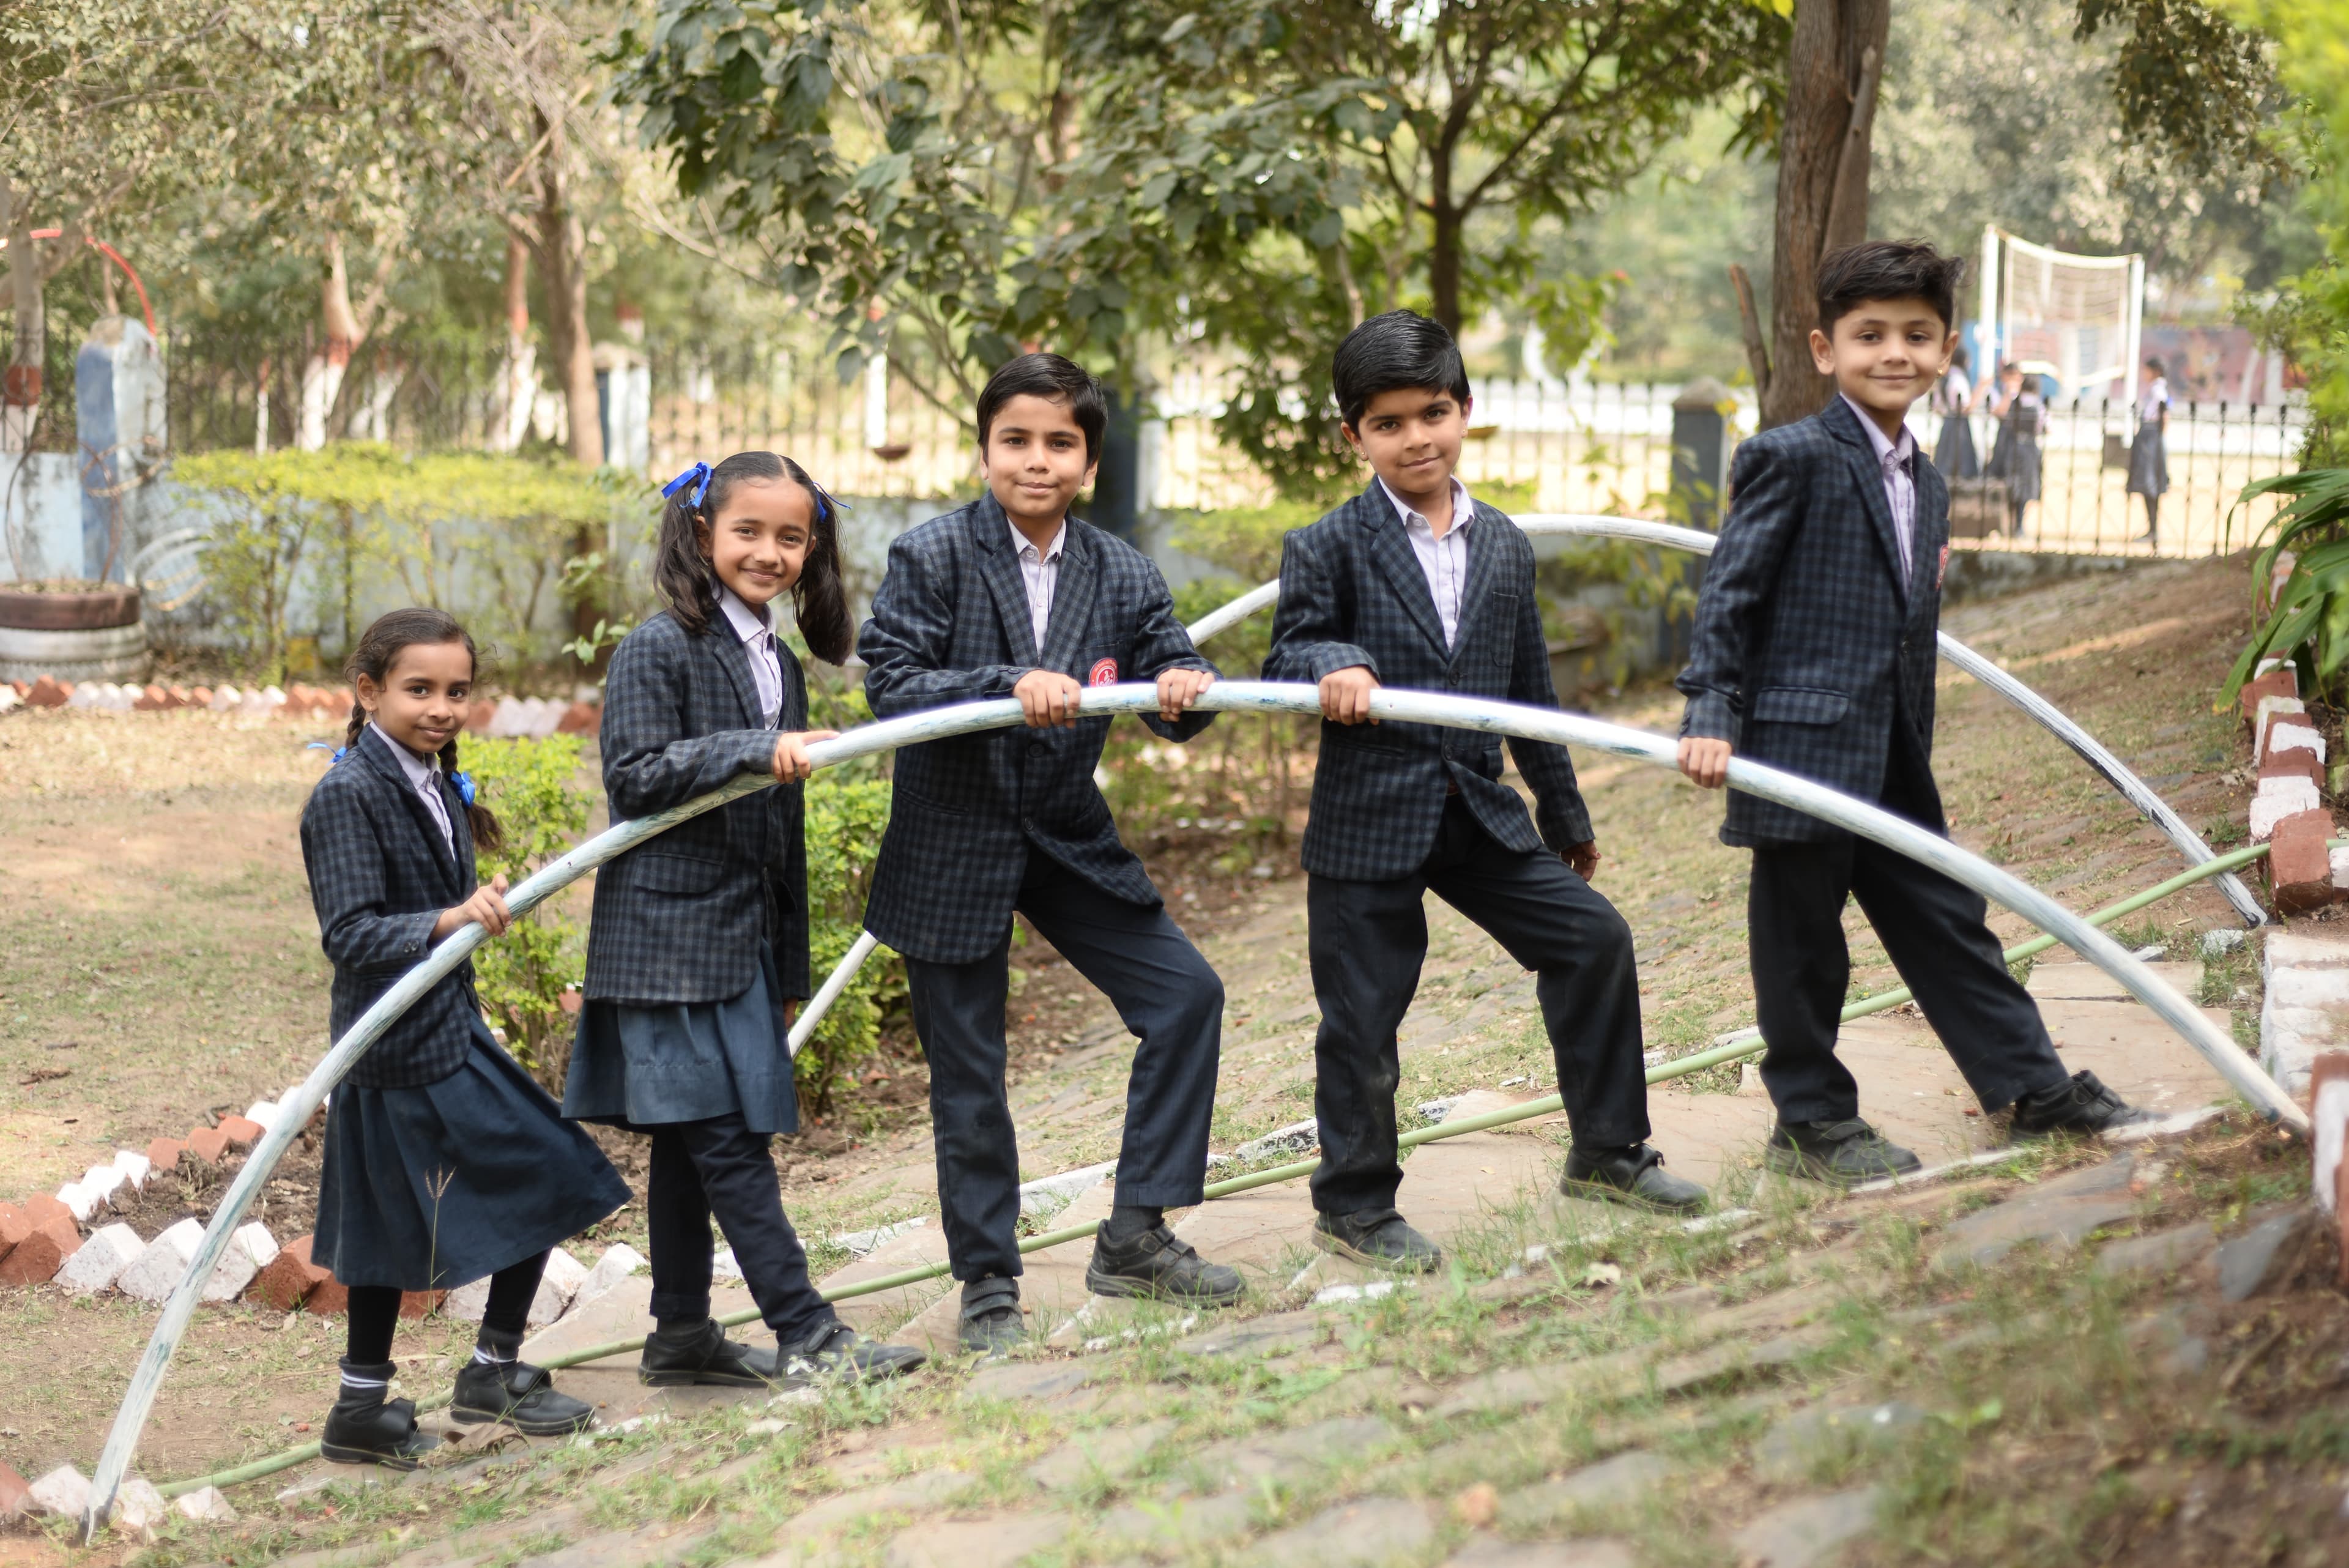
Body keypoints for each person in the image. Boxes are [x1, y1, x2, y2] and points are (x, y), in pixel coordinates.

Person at [1674, 240, 2155, 1187]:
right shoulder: (1790, 456)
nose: (1893, 352)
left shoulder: (1928, 481)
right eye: (1870, 335)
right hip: (1803, 746)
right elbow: (1730, 592)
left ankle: (2031, 1088)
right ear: (1825, 350)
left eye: (1917, 335)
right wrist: (1711, 707)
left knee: (1948, 915)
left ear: (1945, 354)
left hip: (1891, 746)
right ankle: (1810, 1120)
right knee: (1803, 939)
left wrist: (1910, 737)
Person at [1261, 310, 1707, 1275]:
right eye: (1388, 423)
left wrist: (1566, 812)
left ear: (1466, 410)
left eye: (1433, 412)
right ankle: (1355, 1206)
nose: (1416, 437)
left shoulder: (1503, 544)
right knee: (1363, 1018)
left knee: (1592, 939)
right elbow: (1290, 647)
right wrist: (1336, 661)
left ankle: (1607, 1151)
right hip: (1370, 820)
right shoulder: (1326, 545)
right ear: (1356, 437)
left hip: (1477, 806)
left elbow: (1528, 688)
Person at [858, 352, 1242, 1353]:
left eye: (1059, 443)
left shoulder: (1120, 568)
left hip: (1067, 837)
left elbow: (1171, 662)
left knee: (1186, 995)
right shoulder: (932, 554)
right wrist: (1004, 681)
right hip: (953, 843)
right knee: (970, 1074)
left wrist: (1188, 682)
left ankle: (1137, 1234)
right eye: (1016, 440)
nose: (1037, 460)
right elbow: (891, 684)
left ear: (1089, 459)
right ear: (984, 449)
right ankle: (988, 1282)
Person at [565, 452, 925, 1388]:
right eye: (749, 532)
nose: (770, 552)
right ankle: (809, 1332)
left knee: (694, 1141)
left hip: (741, 943)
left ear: (814, 547)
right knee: (724, 1135)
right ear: (701, 533)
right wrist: (756, 748)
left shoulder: (779, 660)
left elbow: (782, 831)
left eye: (791, 536)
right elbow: (635, 776)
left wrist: (789, 959)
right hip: (666, 940)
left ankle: (681, 1334)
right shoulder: (660, 644)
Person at [301, 607, 630, 1468]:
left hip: (446, 1028)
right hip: (399, 1047)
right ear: (368, 692)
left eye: (457, 690)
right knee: (549, 1168)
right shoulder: (347, 793)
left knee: (510, 1180)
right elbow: (350, 934)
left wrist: (464, 911)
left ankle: (372, 1403)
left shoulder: (434, 778)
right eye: (419, 689)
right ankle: (472, 1376)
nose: (442, 707)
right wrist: (450, 918)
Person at [1986, 360, 2046, 537]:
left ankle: (2017, 525)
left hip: (2022, 449)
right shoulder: (2006, 396)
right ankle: (2006, 523)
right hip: (2007, 447)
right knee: (2007, 484)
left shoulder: (2032, 403)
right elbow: (2000, 413)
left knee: (2022, 486)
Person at [2129, 356, 2171, 545]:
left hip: (2151, 440)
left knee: (2150, 484)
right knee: (2149, 485)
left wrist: (2156, 440)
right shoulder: (2155, 390)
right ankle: (2152, 530)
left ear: (2155, 371)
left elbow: (2164, 416)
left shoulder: (2158, 391)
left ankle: (2153, 531)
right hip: (2150, 439)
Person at [1931, 344, 1980, 480]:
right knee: (1960, 463)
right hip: (1959, 426)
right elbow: (1965, 408)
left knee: (1945, 462)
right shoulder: (1959, 379)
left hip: (1948, 423)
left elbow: (1937, 407)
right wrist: (1981, 389)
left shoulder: (1945, 379)